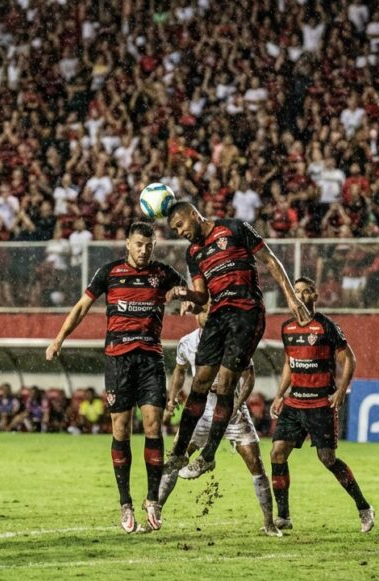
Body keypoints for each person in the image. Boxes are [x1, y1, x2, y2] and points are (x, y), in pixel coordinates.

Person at [46, 221, 186, 533]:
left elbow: (196, 294)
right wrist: (59, 339)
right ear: (127, 244)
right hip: (118, 361)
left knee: (152, 425)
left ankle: (152, 499)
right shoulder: (109, 272)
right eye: (139, 244)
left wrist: (185, 295)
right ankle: (125, 503)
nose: (144, 250)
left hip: (150, 358)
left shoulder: (162, 273)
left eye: (149, 245)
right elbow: (82, 307)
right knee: (121, 430)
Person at [164, 201, 311, 482]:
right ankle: (180, 452)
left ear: (195, 215)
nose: (180, 231)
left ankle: (207, 456)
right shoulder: (193, 252)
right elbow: (202, 296)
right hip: (218, 315)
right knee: (200, 383)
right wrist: (184, 294)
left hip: (247, 311)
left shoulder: (234, 228)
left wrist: (291, 296)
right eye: (175, 229)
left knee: (226, 386)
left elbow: (269, 259)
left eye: (181, 225)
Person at [159, 306, 280, 536]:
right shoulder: (187, 342)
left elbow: (249, 377)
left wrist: (237, 404)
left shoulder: (233, 339)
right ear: (197, 315)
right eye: (203, 311)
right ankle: (155, 512)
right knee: (176, 456)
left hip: (232, 413)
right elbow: (179, 370)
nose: (206, 315)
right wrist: (172, 398)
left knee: (256, 464)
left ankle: (269, 523)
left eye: (210, 311)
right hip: (201, 413)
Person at [269, 277, 374, 533]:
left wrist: (341, 390)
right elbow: (288, 363)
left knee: (327, 459)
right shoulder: (287, 328)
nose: (300, 296)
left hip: (319, 404)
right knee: (277, 453)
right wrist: (280, 394)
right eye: (296, 292)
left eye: (306, 292)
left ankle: (364, 507)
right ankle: (283, 516)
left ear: (314, 296)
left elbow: (350, 359)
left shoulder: (326, 326)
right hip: (294, 403)